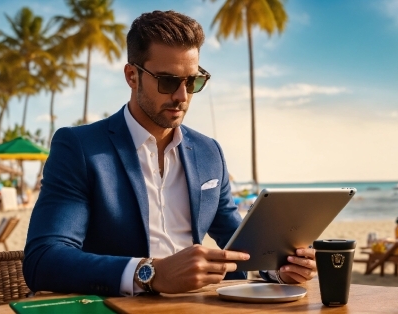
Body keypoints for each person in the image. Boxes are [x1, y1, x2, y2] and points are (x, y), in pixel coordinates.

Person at [23, 10, 316, 297]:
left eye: (192, 81)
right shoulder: (81, 148)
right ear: (132, 76)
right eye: (167, 81)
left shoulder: (208, 152)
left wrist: (281, 268)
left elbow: (239, 241)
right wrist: (151, 273)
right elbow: (43, 259)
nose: (182, 96)